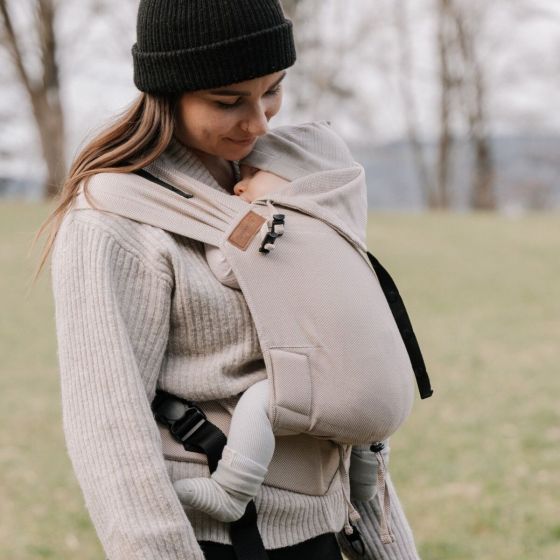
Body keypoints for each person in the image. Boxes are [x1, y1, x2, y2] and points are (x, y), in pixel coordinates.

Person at [35, 1, 422, 558]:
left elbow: (342, 364)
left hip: (333, 530)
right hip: (224, 539)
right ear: (169, 93)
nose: (260, 121)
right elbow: (109, 434)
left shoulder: (285, 179)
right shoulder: (115, 222)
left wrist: (386, 541)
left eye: (273, 89)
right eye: (227, 101)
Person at [175, 121, 414, 535]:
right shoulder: (344, 231)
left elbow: (228, 267)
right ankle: (362, 486)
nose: (237, 188)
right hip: (391, 393)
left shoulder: (274, 223)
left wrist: (220, 225)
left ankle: (233, 489)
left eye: (249, 174)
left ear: (292, 179)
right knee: (360, 419)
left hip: (338, 390)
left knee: (263, 400)